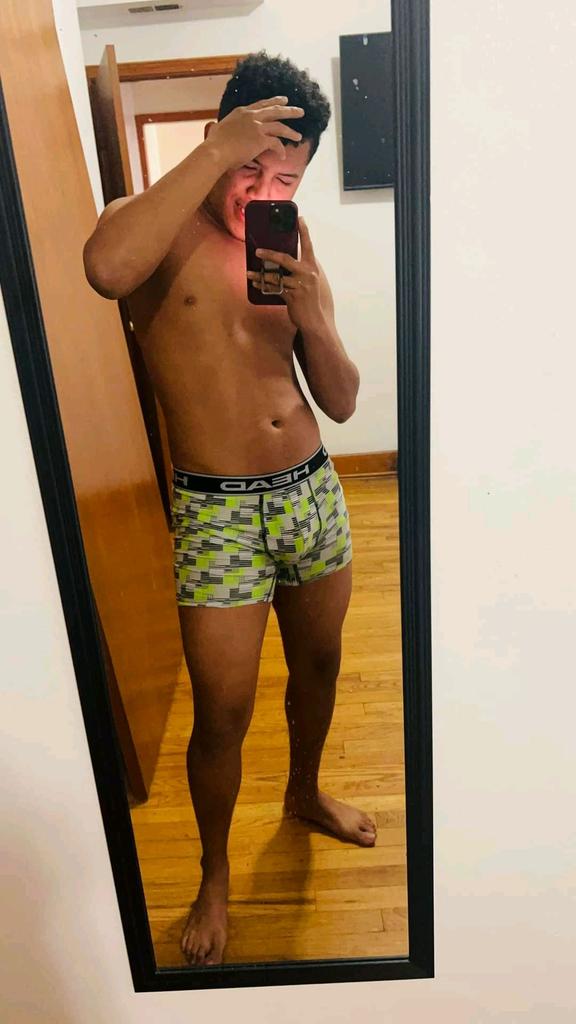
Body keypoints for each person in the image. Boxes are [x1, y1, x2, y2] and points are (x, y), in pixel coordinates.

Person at [83, 51, 377, 968]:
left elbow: (342, 401)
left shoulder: (289, 244)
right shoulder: (150, 227)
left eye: (286, 180)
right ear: (220, 136)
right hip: (217, 513)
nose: (264, 191)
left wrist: (314, 315)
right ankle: (214, 874)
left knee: (320, 667)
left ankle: (304, 792)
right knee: (221, 709)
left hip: (309, 489)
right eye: (253, 166)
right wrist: (216, 154)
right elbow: (104, 268)